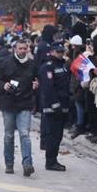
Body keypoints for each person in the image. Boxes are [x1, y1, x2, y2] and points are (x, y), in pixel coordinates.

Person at [0, 38, 38, 176]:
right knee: (9, 135)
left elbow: (36, 79)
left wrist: (36, 85)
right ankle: (9, 163)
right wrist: (3, 85)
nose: (23, 51)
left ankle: (27, 164)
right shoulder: (5, 62)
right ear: (15, 49)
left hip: (25, 103)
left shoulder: (31, 64)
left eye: (25, 48)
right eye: (20, 48)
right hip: (9, 103)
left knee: (25, 134)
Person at [38, 42, 70, 171]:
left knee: (58, 135)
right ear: (51, 52)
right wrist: (55, 105)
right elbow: (48, 88)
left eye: (62, 51)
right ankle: (50, 162)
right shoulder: (47, 67)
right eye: (58, 52)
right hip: (52, 108)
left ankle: (53, 159)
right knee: (52, 135)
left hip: (63, 106)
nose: (61, 54)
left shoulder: (62, 66)